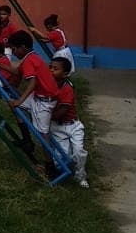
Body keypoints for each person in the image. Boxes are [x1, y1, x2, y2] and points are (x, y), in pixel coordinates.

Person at [6, 30, 58, 155]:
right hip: (39, 95)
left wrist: (19, 101)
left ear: (23, 47)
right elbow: (17, 72)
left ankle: (50, 163)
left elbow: (32, 83)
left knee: (43, 135)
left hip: (45, 100)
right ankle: (27, 140)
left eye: (14, 50)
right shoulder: (30, 56)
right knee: (14, 106)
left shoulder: (29, 61)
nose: (13, 53)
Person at [49, 56, 89, 188]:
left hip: (73, 126)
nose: (51, 70)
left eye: (55, 69)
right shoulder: (48, 87)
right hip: (57, 128)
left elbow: (63, 111)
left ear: (65, 74)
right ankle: (61, 174)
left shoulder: (67, 89)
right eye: (50, 67)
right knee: (61, 156)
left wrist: (45, 117)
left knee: (79, 152)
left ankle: (80, 177)